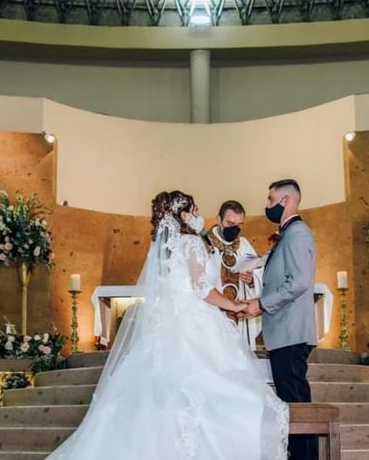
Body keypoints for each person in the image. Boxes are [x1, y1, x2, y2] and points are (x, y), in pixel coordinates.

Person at [46, 190, 289, 460]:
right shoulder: (192, 243)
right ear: (184, 215)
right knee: (219, 396)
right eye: (196, 211)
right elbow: (201, 288)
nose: (200, 216)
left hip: (167, 324)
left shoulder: (164, 246)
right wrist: (236, 305)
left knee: (161, 399)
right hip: (195, 323)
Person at [240, 179, 318, 460]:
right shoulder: (289, 234)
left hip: (291, 332)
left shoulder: (297, 234)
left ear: (285, 201)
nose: (268, 205)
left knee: (297, 404)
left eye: (271, 200)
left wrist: (260, 304)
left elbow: (297, 282)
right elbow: (282, 278)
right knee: (291, 403)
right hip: (285, 331)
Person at [206, 200, 263, 350]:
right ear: (219, 220)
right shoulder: (205, 243)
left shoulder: (243, 244)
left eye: (239, 225)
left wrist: (252, 280)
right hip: (213, 313)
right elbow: (199, 281)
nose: (235, 229)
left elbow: (258, 271)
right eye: (230, 224)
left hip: (239, 315)